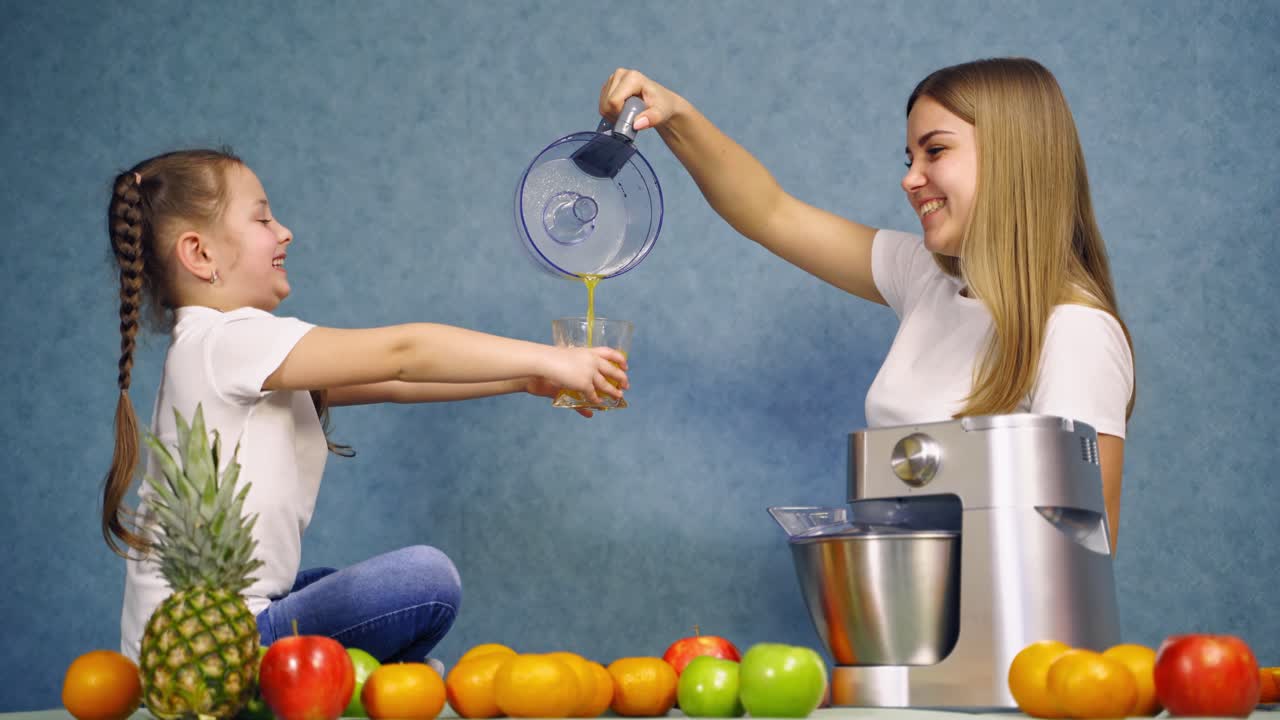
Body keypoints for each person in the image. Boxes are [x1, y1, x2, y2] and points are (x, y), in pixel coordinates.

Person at [102, 148, 629, 662]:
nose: (285, 232)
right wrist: (552, 359)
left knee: (331, 586)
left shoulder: (221, 350)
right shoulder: (228, 339)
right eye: (262, 219)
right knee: (425, 579)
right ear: (200, 254)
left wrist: (524, 378)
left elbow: (396, 381)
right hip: (209, 650)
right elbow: (403, 354)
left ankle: (381, 681)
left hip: (207, 635)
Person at [599, 58, 1135, 549]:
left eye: (936, 150)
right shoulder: (928, 279)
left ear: (1014, 156)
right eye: (910, 157)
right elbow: (769, 213)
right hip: (910, 630)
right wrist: (675, 117)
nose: (910, 179)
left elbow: (1082, 546)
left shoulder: (1076, 333)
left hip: (1008, 644)